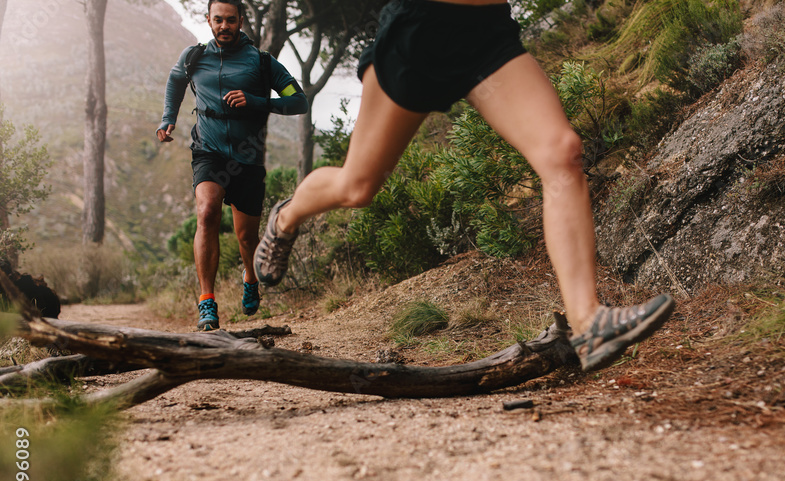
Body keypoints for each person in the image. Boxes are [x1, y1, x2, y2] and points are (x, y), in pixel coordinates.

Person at [254, 0, 675, 371]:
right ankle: (287, 216)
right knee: (357, 187)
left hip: (485, 34)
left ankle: (588, 323)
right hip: (418, 31)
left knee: (562, 152)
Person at [157, 0, 308, 331]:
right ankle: (207, 301)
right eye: (218, 20)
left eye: (230, 20)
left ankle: (250, 276)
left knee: (246, 238)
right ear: (208, 20)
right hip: (208, 150)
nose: (224, 26)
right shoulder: (194, 57)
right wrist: (168, 119)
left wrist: (257, 101)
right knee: (207, 211)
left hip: (247, 157)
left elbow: (298, 101)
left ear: (241, 20)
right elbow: (175, 82)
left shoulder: (262, 63)